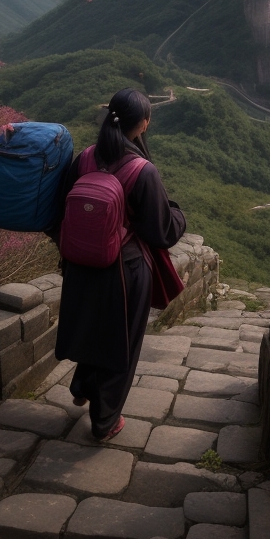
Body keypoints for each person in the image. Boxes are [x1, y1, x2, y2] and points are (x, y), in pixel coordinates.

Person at [55, 87, 186, 441]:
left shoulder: (84, 158)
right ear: (142, 124)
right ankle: (105, 421)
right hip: (124, 271)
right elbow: (160, 232)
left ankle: (83, 385)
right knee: (120, 344)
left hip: (81, 264)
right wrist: (178, 214)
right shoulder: (142, 170)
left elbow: (61, 212)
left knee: (91, 327)